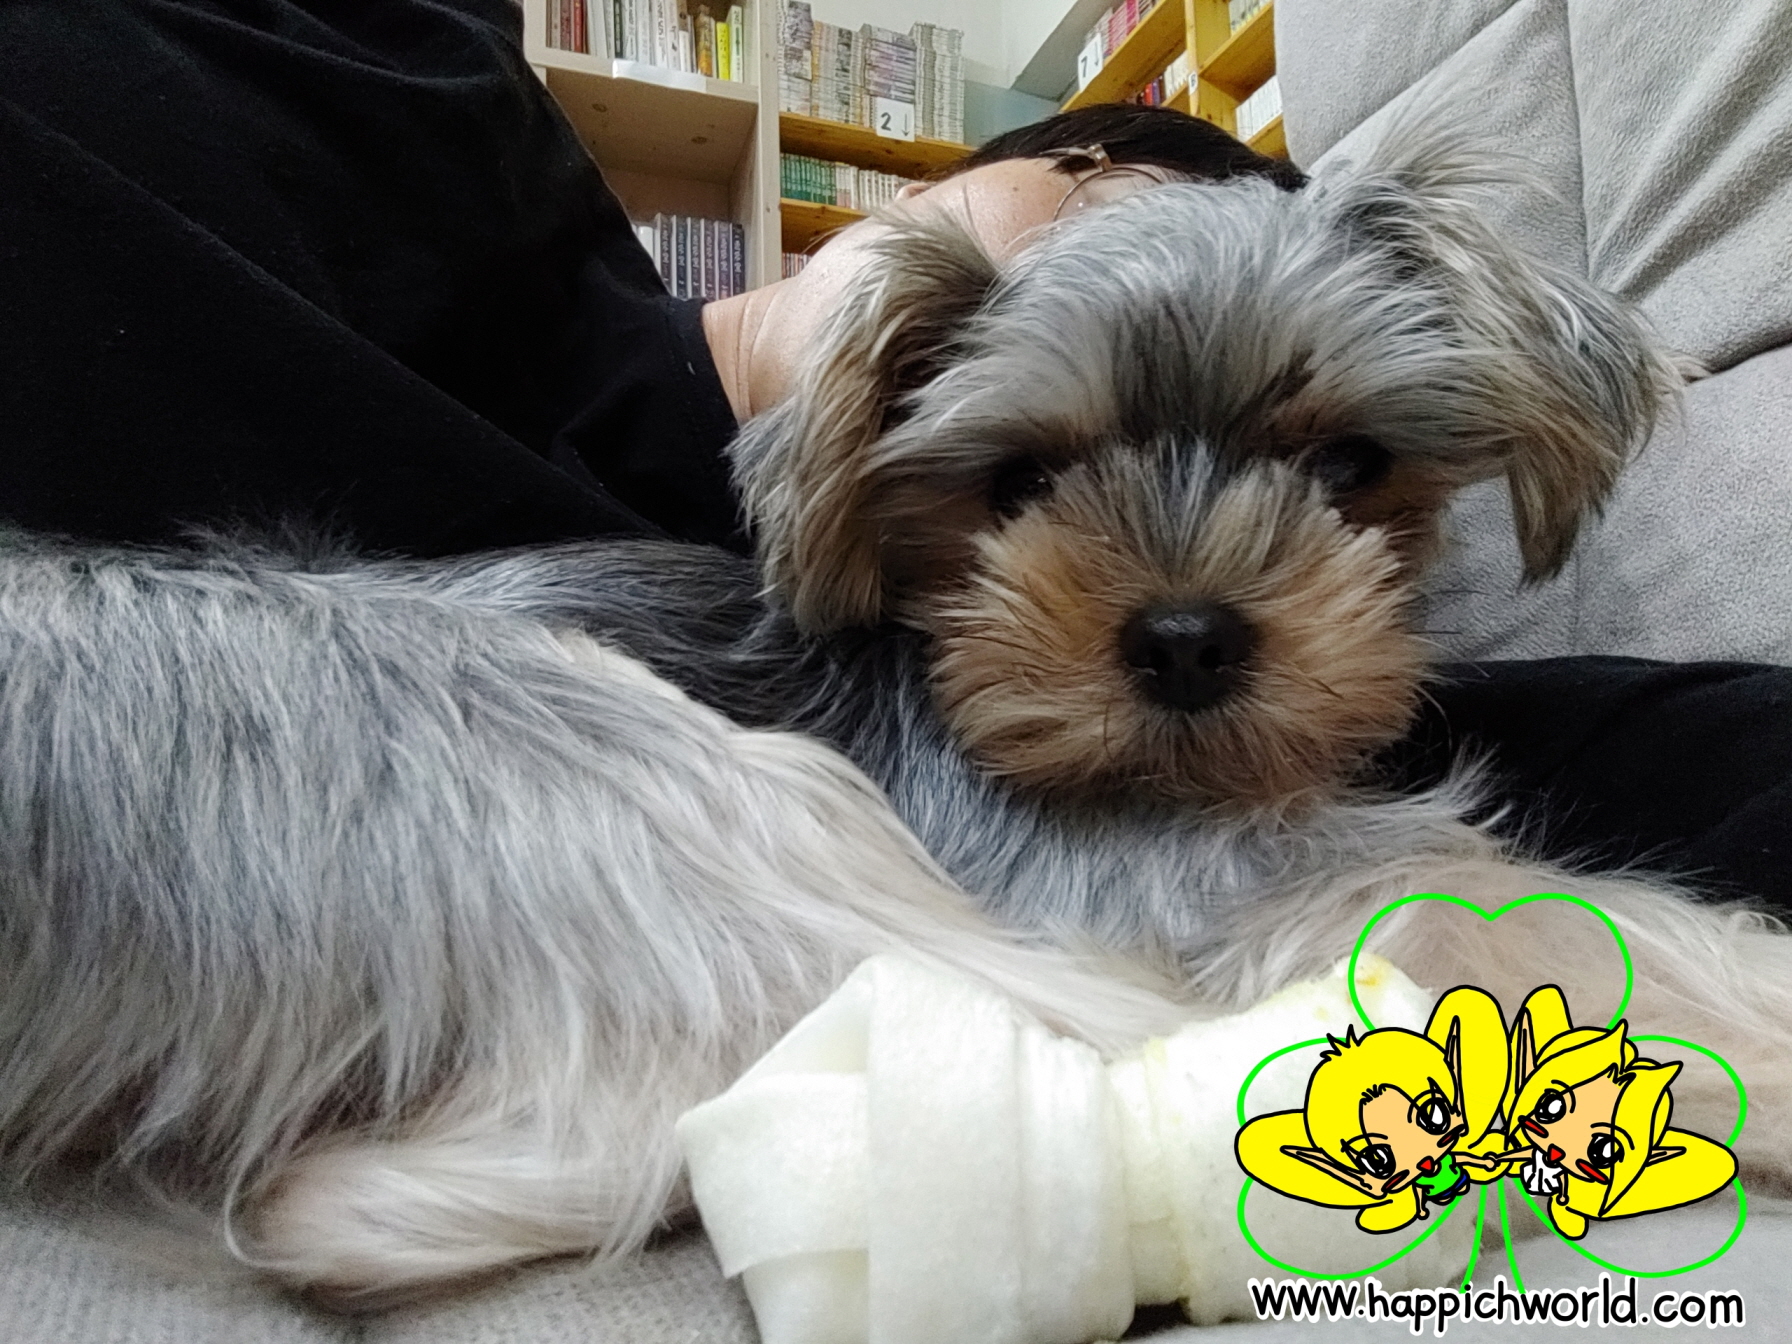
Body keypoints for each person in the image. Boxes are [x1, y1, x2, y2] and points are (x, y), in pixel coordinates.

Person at [3, 0, 1788, 907]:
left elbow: (1662, 749)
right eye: (1101, 202)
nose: (1183, 595)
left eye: (1331, 474)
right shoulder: (443, 111)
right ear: (957, 212)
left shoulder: (1137, 715)